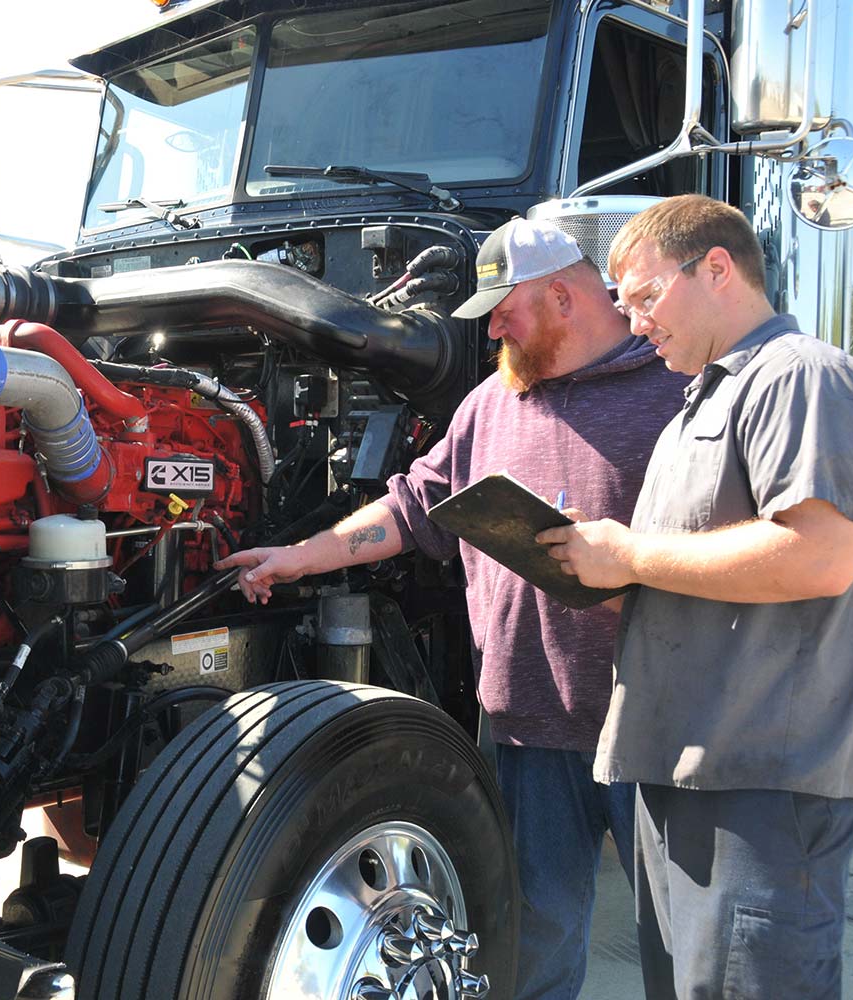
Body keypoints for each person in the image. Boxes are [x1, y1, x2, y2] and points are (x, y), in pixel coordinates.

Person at [216, 217, 687, 1000]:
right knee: (533, 938)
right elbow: (409, 510)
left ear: (566, 296)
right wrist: (300, 556)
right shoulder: (490, 405)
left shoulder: (676, 389)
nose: (493, 326)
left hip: (659, 728)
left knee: (684, 948)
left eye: (508, 308)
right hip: (530, 728)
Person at [538, 194, 853, 999]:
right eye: (622, 303)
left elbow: (825, 555)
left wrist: (634, 553)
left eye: (646, 296)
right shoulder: (699, 401)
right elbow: (691, 573)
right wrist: (603, 567)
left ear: (716, 268)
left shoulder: (800, 376)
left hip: (759, 786)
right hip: (685, 776)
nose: (635, 321)